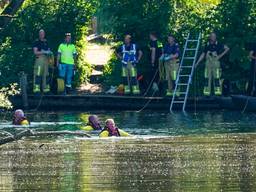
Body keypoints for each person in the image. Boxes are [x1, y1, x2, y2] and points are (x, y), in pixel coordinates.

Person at [196, 32, 229, 96]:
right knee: (207, 78)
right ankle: (206, 94)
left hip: (216, 63)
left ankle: (217, 93)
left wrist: (220, 56)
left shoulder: (219, 44)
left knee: (217, 78)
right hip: (208, 63)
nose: (213, 37)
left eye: (214, 36)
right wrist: (197, 63)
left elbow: (227, 48)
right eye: (211, 36)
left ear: (216, 37)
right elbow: (203, 54)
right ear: (210, 37)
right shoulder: (207, 45)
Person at [33, 29, 53, 94]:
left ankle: (46, 90)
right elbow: (35, 52)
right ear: (39, 34)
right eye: (41, 34)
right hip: (39, 60)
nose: (42, 35)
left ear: (44, 34)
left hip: (46, 60)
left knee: (46, 74)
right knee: (38, 74)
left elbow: (49, 50)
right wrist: (43, 51)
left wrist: (49, 54)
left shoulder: (46, 42)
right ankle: (36, 90)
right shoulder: (36, 42)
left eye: (43, 34)